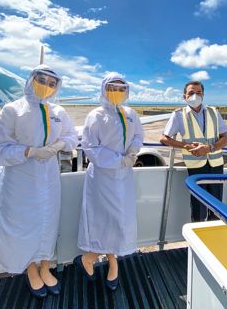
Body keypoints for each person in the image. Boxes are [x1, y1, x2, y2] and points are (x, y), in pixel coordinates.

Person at [0, 64, 78, 298]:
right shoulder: (12, 110)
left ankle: (45, 266)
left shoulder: (58, 112)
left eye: (52, 83)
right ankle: (29, 269)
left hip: (49, 178)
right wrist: (29, 152)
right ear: (31, 80)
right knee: (23, 225)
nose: (46, 86)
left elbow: (71, 137)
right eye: (42, 80)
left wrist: (58, 146)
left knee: (49, 222)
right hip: (20, 179)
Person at [75, 73, 143, 291]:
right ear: (103, 89)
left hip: (124, 176)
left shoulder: (131, 113)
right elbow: (90, 147)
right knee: (104, 218)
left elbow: (138, 136)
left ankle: (110, 259)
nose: (117, 92)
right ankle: (91, 257)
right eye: (112, 88)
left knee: (121, 218)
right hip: (103, 177)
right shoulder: (95, 115)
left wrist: (133, 151)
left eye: (121, 88)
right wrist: (118, 160)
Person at [160, 80, 227, 222]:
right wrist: (185, 146)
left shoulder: (214, 112)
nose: (195, 96)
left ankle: (212, 238)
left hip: (216, 164)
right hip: (196, 166)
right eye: (191, 93)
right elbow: (164, 139)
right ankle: (196, 240)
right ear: (184, 96)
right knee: (198, 206)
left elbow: (226, 139)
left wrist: (209, 148)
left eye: (198, 93)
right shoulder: (179, 115)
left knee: (217, 205)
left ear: (203, 95)